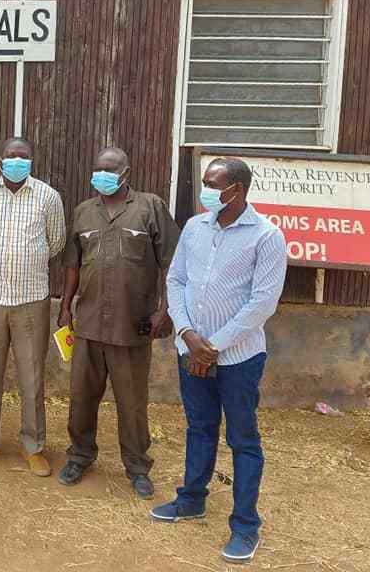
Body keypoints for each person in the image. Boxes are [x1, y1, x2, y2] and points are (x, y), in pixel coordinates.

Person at [151, 157, 287, 565]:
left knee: (243, 441)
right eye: (206, 183)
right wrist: (187, 335)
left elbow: (262, 302)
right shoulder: (195, 227)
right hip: (189, 349)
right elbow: (175, 281)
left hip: (239, 359)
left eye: (214, 184)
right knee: (200, 429)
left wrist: (213, 347)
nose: (205, 190)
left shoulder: (266, 237)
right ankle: (191, 499)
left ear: (238, 190)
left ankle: (245, 526)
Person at [57, 147, 180, 498]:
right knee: (81, 397)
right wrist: (66, 307)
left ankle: (138, 466)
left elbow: (172, 261)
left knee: (132, 402)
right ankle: (80, 456)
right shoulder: (83, 212)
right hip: (89, 324)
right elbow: (72, 264)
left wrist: (165, 308)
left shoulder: (149, 207)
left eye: (109, 169)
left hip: (132, 325)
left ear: (126, 172)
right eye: (97, 169)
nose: (102, 175)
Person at [0, 137, 66, 477]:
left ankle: (33, 445)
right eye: (11, 156)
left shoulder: (48, 197)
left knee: (32, 376)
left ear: (32, 161)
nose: (17, 161)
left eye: (23, 157)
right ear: (0, 160)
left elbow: (56, 243)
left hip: (32, 298)